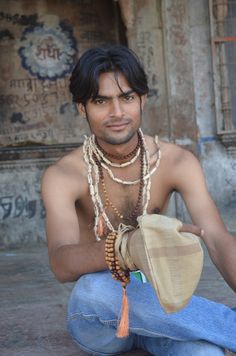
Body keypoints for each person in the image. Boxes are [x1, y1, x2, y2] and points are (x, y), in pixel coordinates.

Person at [41, 45, 236, 355]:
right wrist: (126, 247)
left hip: (162, 307)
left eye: (127, 98)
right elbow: (61, 264)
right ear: (82, 108)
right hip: (100, 319)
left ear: (142, 99)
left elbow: (218, 239)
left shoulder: (176, 162)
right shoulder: (63, 175)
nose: (117, 113)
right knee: (92, 289)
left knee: (203, 353)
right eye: (101, 101)